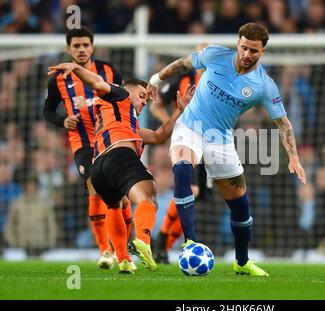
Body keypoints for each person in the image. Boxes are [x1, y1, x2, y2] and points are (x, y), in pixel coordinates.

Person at [147, 22, 306, 276]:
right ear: (238, 43)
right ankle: (190, 243)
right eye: (243, 48)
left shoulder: (264, 85)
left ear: (262, 51)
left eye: (253, 51)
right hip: (190, 126)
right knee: (183, 168)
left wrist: (294, 158)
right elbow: (183, 64)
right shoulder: (215, 56)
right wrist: (155, 79)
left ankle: (242, 263)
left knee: (240, 206)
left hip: (220, 140)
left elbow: (283, 122)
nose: (247, 54)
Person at [48, 61, 195, 273]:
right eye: (142, 96)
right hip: (119, 155)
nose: (145, 102)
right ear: (129, 91)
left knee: (115, 205)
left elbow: (159, 136)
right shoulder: (120, 95)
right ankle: (143, 241)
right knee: (148, 197)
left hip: (98, 168)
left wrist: (179, 110)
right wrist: (77, 68)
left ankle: (124, 260)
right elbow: (99, 83)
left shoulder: (127, 122)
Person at [43, 26, 128, 270]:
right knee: (95, 187)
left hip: (110, 139)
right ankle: (105, 251)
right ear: (68, 49)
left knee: (121, 197)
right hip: (83, 143)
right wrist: (63, 120)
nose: (81, 50)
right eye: (76, 46)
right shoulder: (57, 79)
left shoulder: (110, 71)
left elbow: (121, 99)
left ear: (92, 46)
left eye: (85, 45)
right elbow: (47, 111)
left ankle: (125, 251)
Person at [151, 43, 210, 264]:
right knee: (191, 189)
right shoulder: (182, 80)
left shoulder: (220, 80)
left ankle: (162, 247)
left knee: (196, 196)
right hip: (188, 141)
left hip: (212, 144)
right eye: (200, 54)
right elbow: (156, 106)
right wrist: (172, 125)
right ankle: (164, 237)